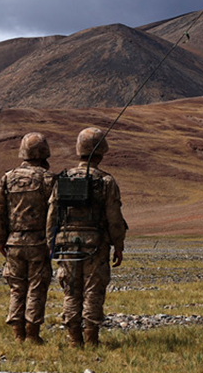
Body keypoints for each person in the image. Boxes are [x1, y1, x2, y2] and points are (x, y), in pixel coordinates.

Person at [47, 126, 128, 348]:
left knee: (71, 291)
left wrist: (50, 244)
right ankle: (91, 341)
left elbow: (52, 216)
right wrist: (118, 245)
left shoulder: (63, 179)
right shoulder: (106, 181)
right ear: (102, 151)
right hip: (96, 245)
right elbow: (114, 218)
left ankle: (74, 341)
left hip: (65, 245)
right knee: (93, 290)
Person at [0, 132, 54, 344]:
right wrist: (52, 241)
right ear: (44, 153)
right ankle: (33, 335)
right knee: (36, 287)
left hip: (13, 243)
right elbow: (55, 213)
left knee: (17, 288)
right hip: (39, 243)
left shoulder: (7, 178)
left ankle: (18, 334)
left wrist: (0, 240)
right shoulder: (48, 179)